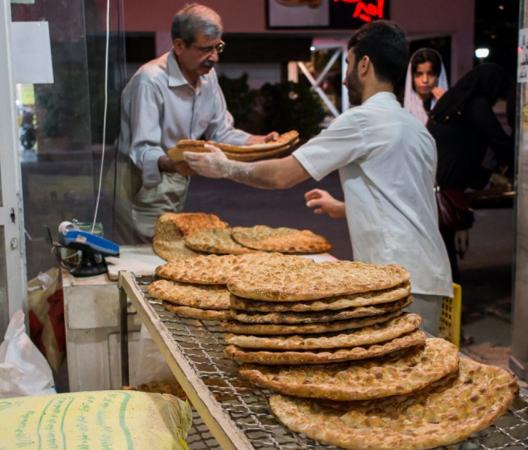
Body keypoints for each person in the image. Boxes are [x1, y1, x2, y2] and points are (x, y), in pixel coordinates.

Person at [184, 20, 453, 335]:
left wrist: (225, 167)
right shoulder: (416, 129)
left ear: (364, 64)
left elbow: (283, 175)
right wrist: (343, 207)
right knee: (421, 374)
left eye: (349, 64)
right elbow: (405, 198)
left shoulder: (363, 120)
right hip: (430, 277)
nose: (344, 77)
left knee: (391, 376)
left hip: (395, 278)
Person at [115, 3, 278, 243]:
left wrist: (258, 142)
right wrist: (178, 162)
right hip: (143, 183)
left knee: (170, 252)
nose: (214, 57)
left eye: (218, 47)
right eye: (205, 49)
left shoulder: (207, 76)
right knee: (147, 258)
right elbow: (142, 151)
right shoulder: (150, 82)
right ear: (179, 46)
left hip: (177, 176)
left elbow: (220, 131)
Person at [426, 63, 514, 282]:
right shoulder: (476, 105)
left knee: (440, 253)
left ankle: (445, 303)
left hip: (432, 181)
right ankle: (448, 307)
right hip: (446, 188)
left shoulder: (450, 101)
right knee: (446, 256)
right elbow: (499, 141)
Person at [403, 48, 448, 125]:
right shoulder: (401, 107)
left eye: (430, 74)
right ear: (411, 77)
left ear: (438, 76)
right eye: (419, 74)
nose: (425, 80)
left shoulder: (449, 104)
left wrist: (445, 105)